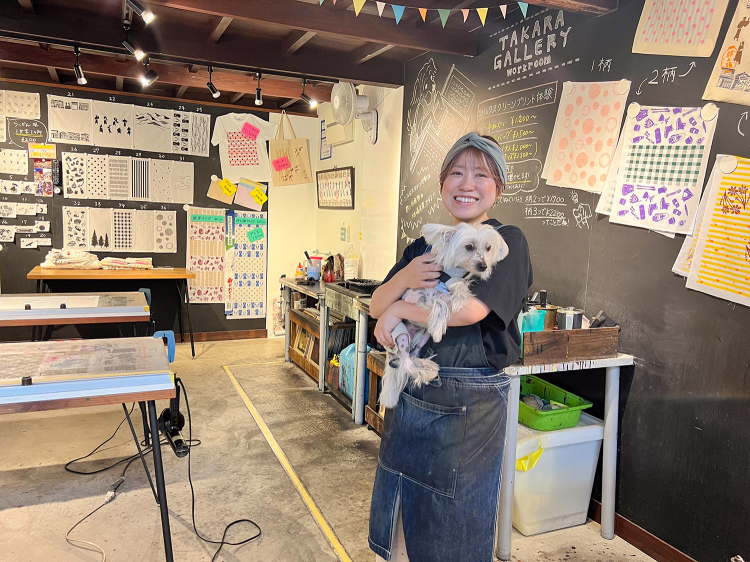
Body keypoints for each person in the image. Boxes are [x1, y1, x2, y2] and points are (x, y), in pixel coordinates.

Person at [367, 133, 533, 562]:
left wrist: (397, 308)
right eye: (456, 173)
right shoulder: (424, 245)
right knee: (405, 527)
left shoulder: (503, 242)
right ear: (442, 183)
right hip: (410, 401)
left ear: (497, 187)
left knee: (453, 531)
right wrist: (403, 282)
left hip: (468, 410)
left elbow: (471, 311)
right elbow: (374, 304)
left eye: (481, 174)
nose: (467, 184)